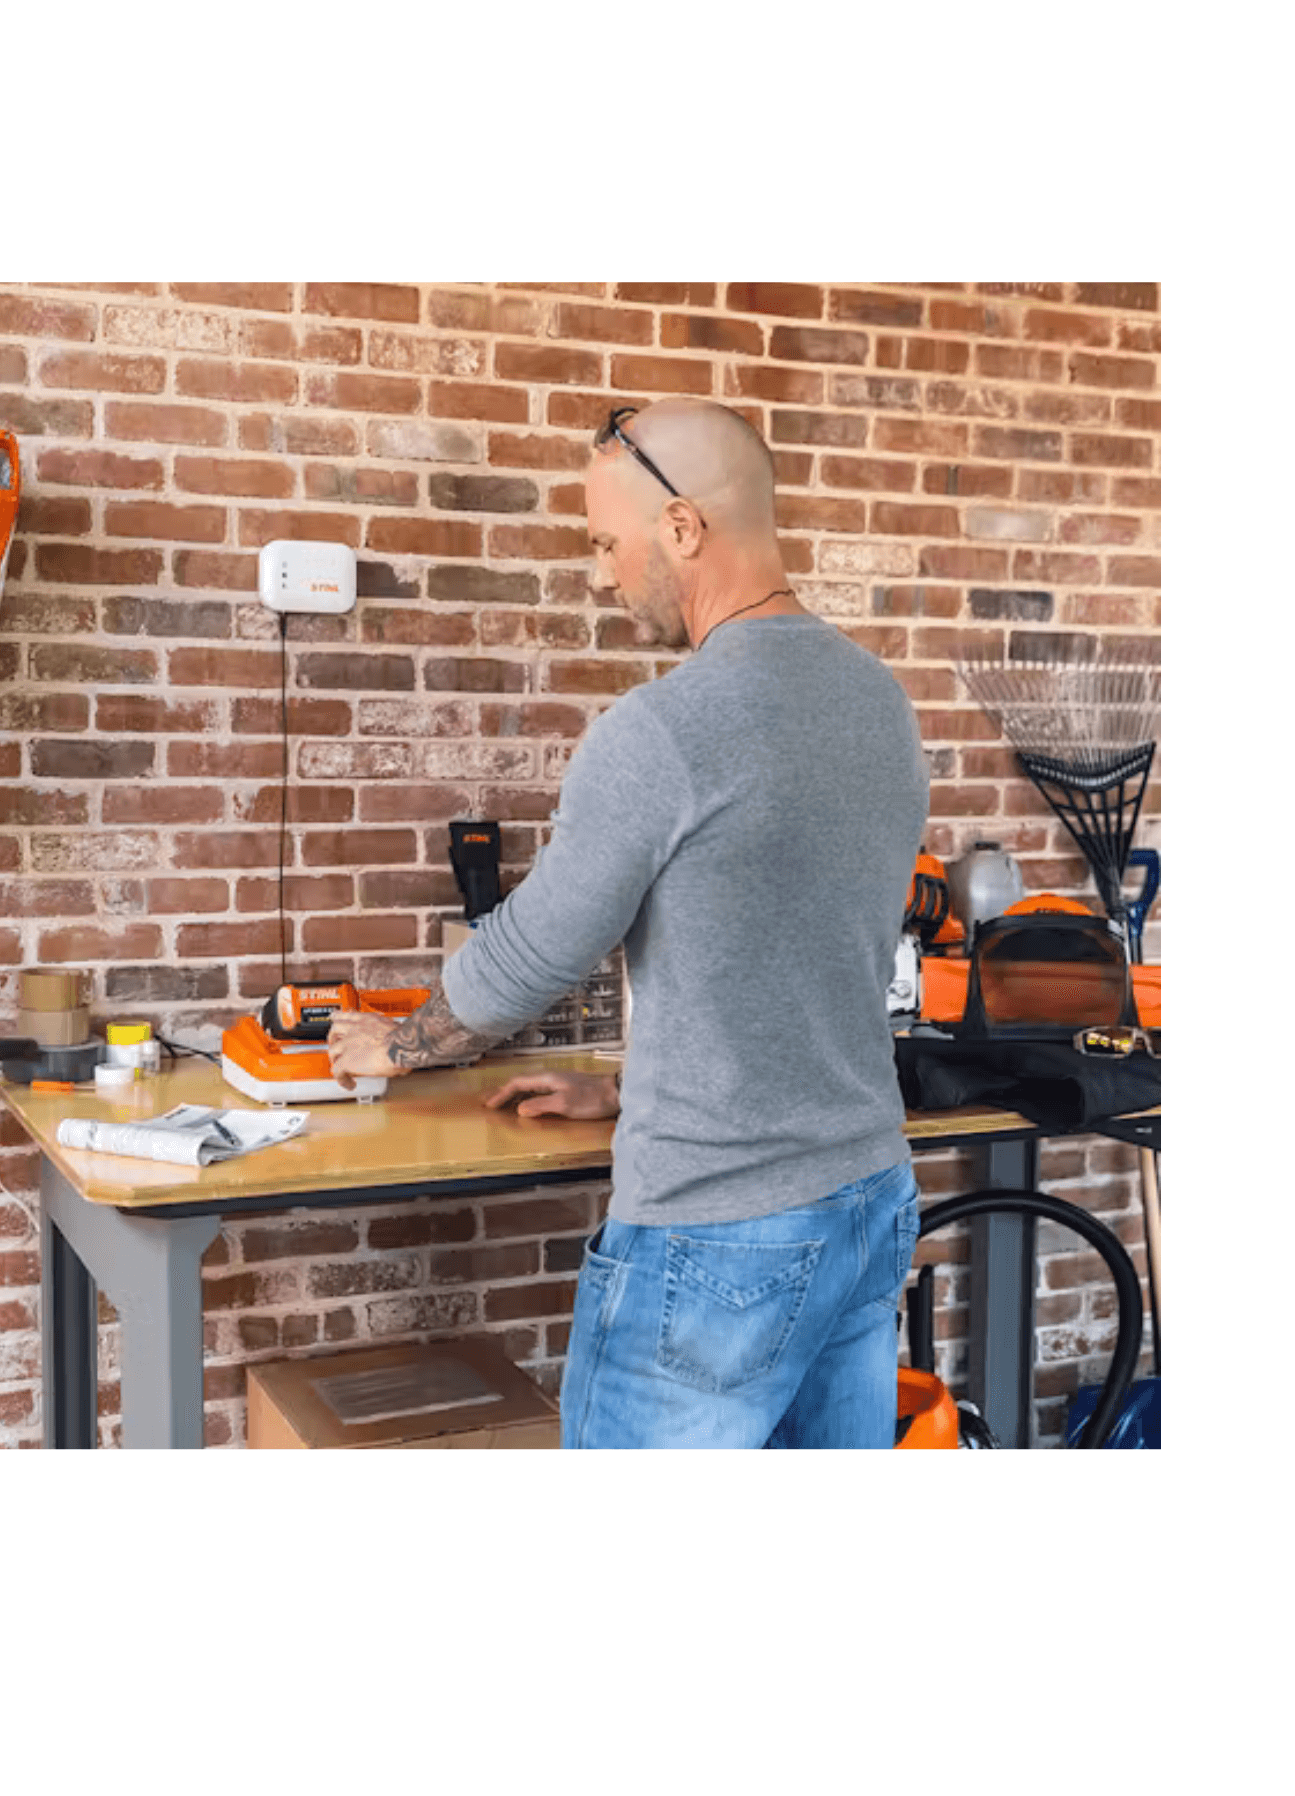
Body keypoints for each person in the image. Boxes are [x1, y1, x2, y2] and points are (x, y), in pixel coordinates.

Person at [324, 397, 930, 1448]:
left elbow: (535, 950)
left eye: (606, 543)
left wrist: (398, 1044)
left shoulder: (664, 729)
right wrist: (624, 1087)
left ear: (682, 527)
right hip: (866, 1201)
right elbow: (788, 955)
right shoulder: (879, 703)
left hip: (718, 1235)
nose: (601, 575)